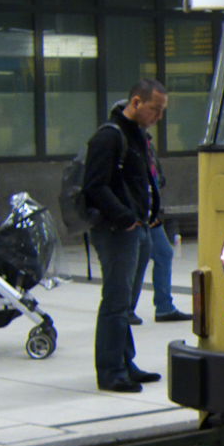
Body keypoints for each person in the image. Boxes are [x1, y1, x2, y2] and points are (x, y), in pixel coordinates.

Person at [83, 79, 166, 392]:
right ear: (136, 102)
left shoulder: (137, 137)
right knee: (116, 302)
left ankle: (125, 361)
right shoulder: (109, 137)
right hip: (117, 230)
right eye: (155, 110)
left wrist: (151, 213)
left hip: (138, 226)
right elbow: (95, 185)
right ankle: (111, 370)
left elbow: (143, 180)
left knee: (126, 302)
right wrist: (125, 216)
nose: (158, 117)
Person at [130, 129, 190, 324]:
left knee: (163, 254)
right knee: (136, 262)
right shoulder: (127, 144)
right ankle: (126, 309)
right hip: (136, 216)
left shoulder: (147, 145)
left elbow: (155, 180)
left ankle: (164, 307)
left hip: (149, 214)